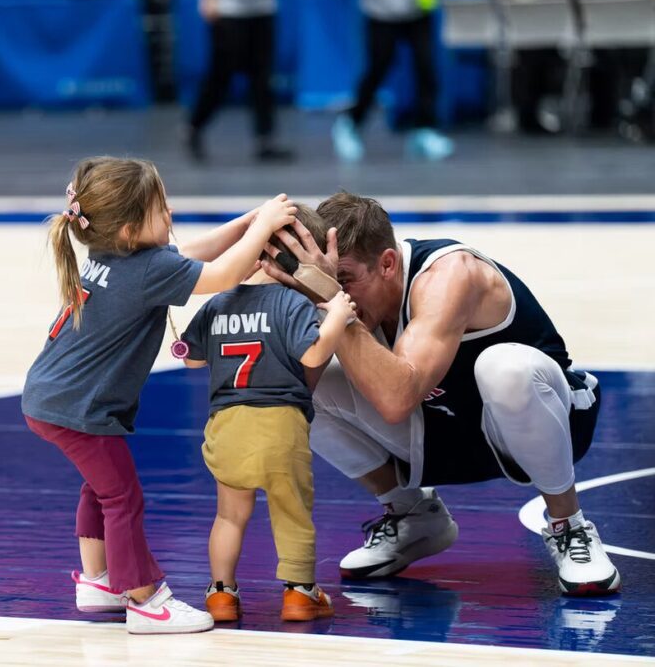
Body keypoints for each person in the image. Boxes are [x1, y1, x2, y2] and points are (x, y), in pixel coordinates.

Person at [260, 191, 620, 597]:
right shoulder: (349, 295)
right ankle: (413, 515)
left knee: (505, 369)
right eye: (329, 280)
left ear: (388, 264)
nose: (338, 292)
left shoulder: (450, 274)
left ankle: (569, 525)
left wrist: (331, 300)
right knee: (288, 383)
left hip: (550, 418)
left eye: (344, 280)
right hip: (447, 422)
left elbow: (397, 398)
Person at [21, 155, 298, 634]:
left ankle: (98, 580)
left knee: (102, 487)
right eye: (161, 208)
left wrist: (250, 223)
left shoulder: (114, 256)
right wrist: (264, 227)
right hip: (78, 409)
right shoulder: (145, 270)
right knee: (123, 497)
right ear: (129, 230)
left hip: (51, 399)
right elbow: (221, 276)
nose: (169, 215)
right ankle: (145, 600)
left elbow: (189, 255)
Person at [181, 205, 356, 623]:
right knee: (291, 510)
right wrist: (336, 317)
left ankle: (221, 593)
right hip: (280, 424)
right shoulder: (292, 304)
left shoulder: (217, 304)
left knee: (228, 515)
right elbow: (313, 352)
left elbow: (188, 359)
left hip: (226, 425)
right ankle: (298, 594)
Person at [331, 0, 455, 161]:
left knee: (425, 67)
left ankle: (424, 128)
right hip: (381, 12)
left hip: (418, 9)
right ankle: (351, 122)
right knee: (379, 68)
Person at [186, 0, 293, 162]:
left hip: (263, 7)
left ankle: (265, 139)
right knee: (221, 76)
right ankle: (194, 126)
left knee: (262, 77)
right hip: (228, 9)